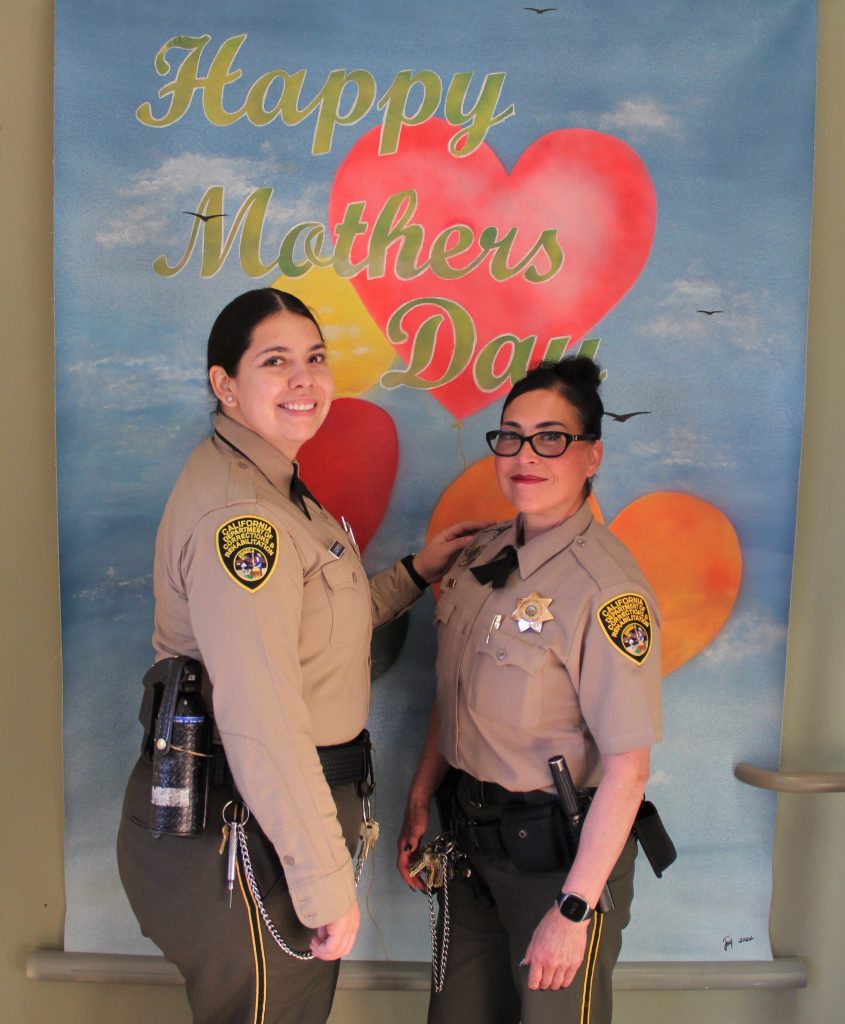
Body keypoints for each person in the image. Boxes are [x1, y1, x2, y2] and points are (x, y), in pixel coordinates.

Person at [117, 287, 483, 1024]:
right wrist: (321, 884)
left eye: (314, 359)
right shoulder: (243, 517)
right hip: (245, 826)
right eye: (275, 361)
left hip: (266, 819)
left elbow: (317, 626)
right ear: (225, 384)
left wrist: (415, 571)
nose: (304, 379)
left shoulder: (279, 492)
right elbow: (258, 712)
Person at [397, 357, 663, 1024]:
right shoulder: (478, 556)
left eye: (551, 438)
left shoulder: (607, 592)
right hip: (469, 846)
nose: (524, 455)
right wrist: (421, 793)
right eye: (510, 436)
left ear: (591, 453)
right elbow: (452, 691)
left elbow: (628, 769)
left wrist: (573, 911)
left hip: (557, 864)